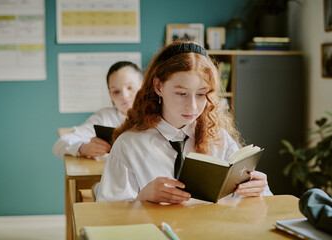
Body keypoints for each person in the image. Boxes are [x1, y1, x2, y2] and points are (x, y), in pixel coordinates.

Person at [95, 41, 272, 203]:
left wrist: (259, 189)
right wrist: (142, 198)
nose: (193, 106)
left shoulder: (218, 138)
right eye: (181, 93)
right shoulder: (128, 145)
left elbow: (250, 203)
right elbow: (108, 213)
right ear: (158, 87)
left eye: (202, 94)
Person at [52, 61, 143, 159]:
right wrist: (82, 148)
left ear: (144, 87)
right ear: (110, 95)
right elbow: (60, 145)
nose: (124, 95)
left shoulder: (159, 115)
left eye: (130, 87)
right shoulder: (105, 118)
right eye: (116, 91)